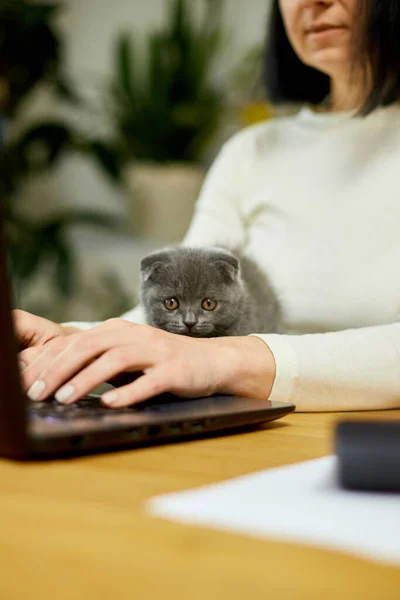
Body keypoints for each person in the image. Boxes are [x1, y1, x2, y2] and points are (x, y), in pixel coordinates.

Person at [14, 0, 400, 411]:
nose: (314, 1)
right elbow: (179, 303)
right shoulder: (252, 150)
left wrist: (229, 362)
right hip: (254, 428)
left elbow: (204, 355)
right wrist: (73, 341)